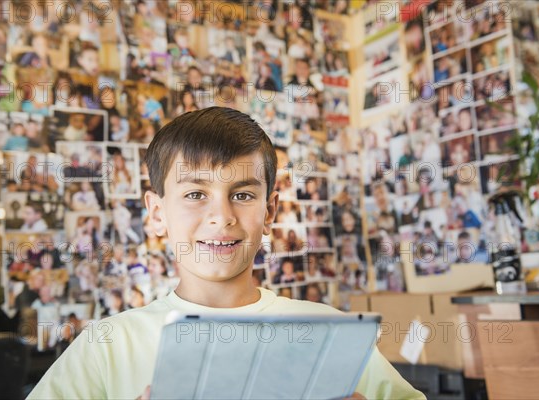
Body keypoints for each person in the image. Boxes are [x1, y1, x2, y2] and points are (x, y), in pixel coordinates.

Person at [28, 107, 424, 399]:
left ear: (269, 211)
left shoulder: (329, 336)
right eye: (196, 194)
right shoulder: (106, 346)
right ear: (156, 213)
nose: (221, 216)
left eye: (243, 195)